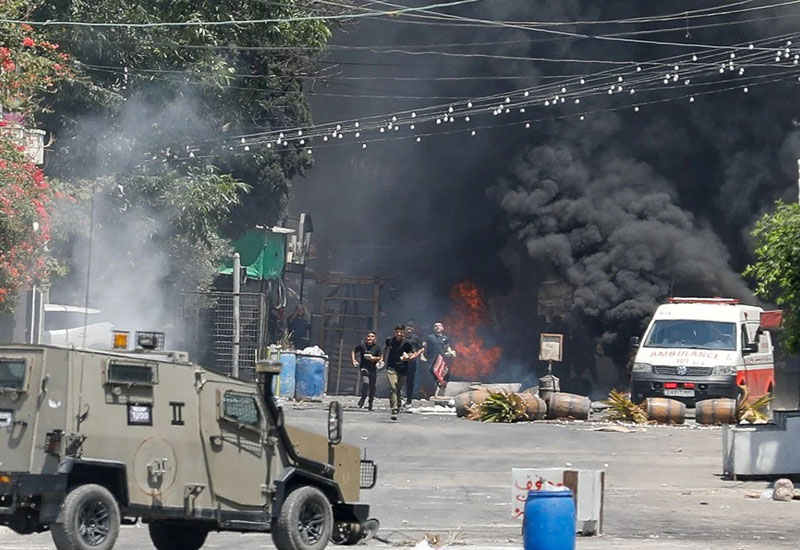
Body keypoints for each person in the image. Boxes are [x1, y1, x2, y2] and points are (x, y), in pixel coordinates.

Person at [383, 324, 422, 420]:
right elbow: (385, 349)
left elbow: (413, 353)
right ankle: (394, 408)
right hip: (391, 367)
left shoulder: (407, 343)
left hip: (402, 368)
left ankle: (399, 405)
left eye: (401, 332)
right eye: (397, 332)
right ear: (394, 332)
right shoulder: (390, 340)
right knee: (393, 387)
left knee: (398, 388)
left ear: (404, 332)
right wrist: (382, 359)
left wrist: (409, 358)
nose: (399, 334)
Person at [422, 322, 456, 397]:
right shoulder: (429, 337)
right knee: (431, 374)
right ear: (433, 329)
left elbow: (447, 347)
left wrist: (451, 352)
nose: (437, 327)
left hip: (442, 359)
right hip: (431, 358)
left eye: (439, 326)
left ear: (442, 328)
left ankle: (441, 392)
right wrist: (422, 355)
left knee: (444, 373)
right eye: (435, 326)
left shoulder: (445, 338)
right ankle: (430, 394)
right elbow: (423, 347)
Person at [351, 331, 382, 410]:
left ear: (375, 339)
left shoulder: (377, 347)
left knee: (372, 386)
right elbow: (354, 351)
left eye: (372, 337)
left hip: (373, 368)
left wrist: (373, 358)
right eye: (369, 336)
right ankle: (363, 398)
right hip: (364, 367)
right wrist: (354, 360)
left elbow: (380, 357)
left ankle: (370, 402)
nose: (370, 338)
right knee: (365, 382)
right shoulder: (362, 346)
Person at [403, 321, 424, 407]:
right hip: (401, 362)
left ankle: (409, 400)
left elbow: (421, 348)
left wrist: (416, 355)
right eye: (408, 328)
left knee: (410, 381)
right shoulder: (401, 338)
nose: (409, 330)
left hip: (412, 363)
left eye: (411, 328)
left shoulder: (415, 338)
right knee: (400, 381)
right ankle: (400, 398)